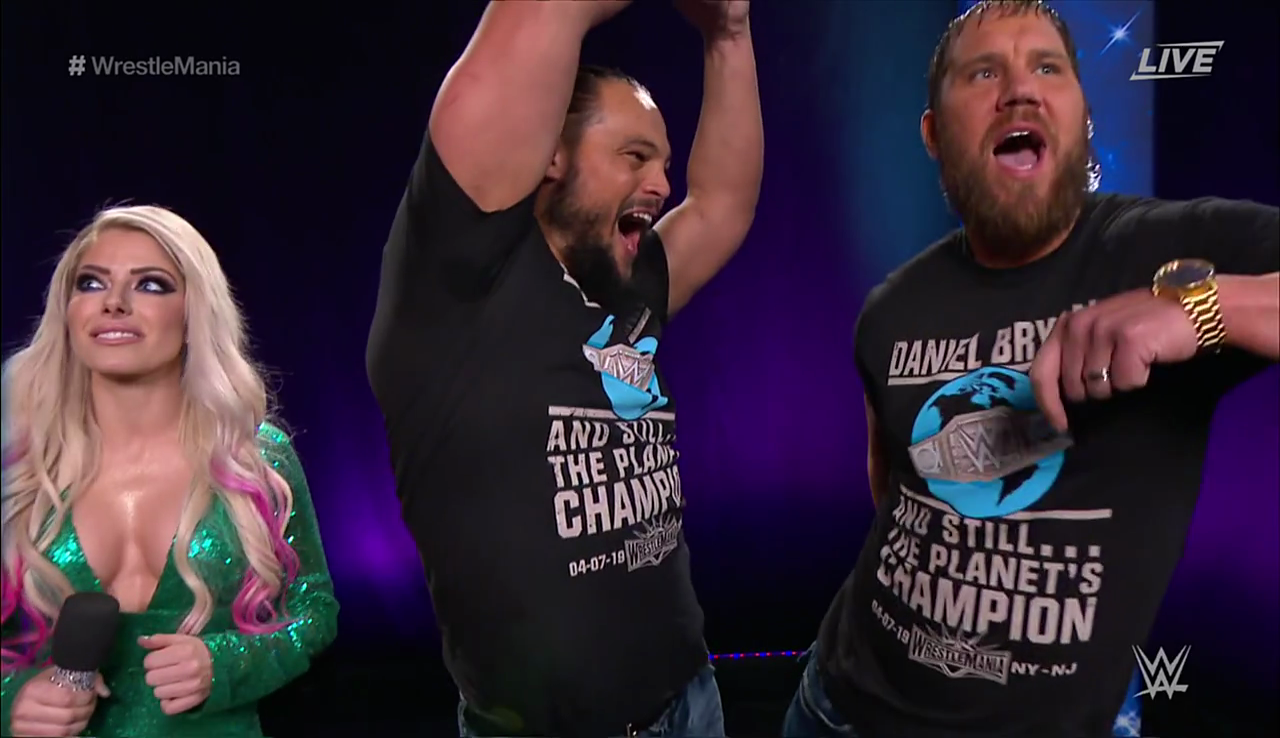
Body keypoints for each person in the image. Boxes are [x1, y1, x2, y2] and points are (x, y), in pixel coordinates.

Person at [783, 1, 1279, 737]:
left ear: (1081, 117)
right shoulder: (891, 308)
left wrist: (1200, 309)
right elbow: (896, 483)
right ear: (934, 134)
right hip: (836, 708)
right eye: (984, 73)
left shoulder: (1162, 251)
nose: (1020, 90)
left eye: (1047, 68)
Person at [364, 0, 762, 735]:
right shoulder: (453, 288)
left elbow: (721, 204)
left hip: (689, 706)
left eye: (663, 163)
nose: (661, 184)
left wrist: (728, 30)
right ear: (550, 152)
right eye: (634, 156)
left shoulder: (629, 284)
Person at [0, 205, 339, 738]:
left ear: (193, 314)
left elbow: (314, 611)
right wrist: (12, 700)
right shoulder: (19, 466)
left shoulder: (254, 459)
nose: (114, 303)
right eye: (91, 283)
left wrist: (225, 664)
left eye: (150, 285)